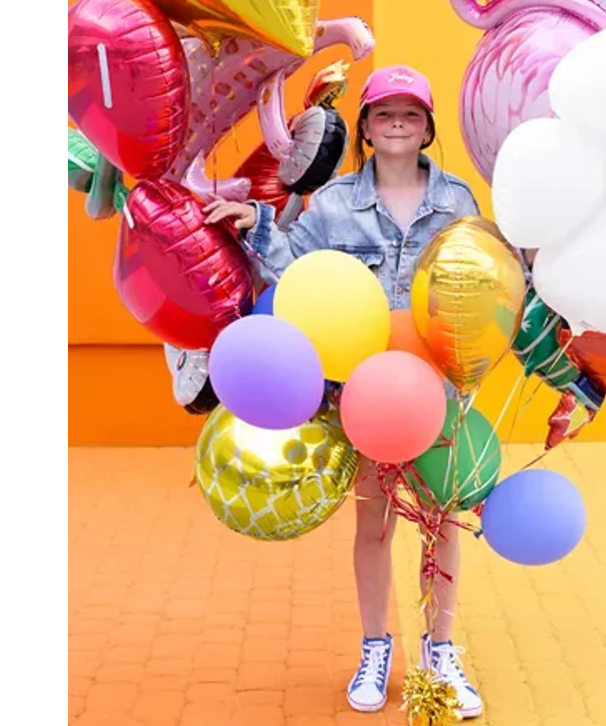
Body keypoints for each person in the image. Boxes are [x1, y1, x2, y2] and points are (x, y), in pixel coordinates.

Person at [204, 64, 484, 719]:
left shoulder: (457, 201)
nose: (397, 123)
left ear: (426, 128)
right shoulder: (332, 204)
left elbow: (476, 285)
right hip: (361, 394)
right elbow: (295, 271)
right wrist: (257, 221)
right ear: (365, 126)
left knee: (442, 520)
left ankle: (441, 652)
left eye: (410, 114)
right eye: (384, 113)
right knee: (375, 524)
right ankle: (375, 647)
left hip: (435, 388)